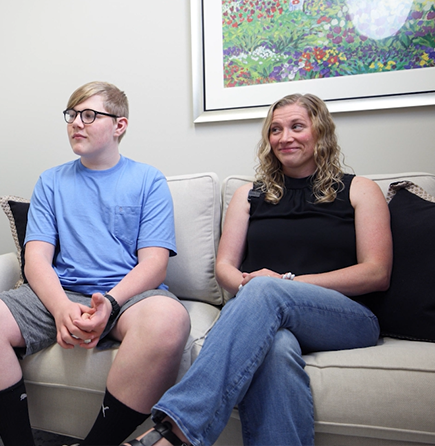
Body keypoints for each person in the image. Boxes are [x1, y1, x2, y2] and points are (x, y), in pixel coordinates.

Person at [124, 93, 392, 446]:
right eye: (275, 129)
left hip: (345, 319)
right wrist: (258, 286)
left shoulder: (359, 190)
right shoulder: (249, 195)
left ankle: (176, 430)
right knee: (276, 348)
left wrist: (285, 284)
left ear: (321, 132)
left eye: (297, 126)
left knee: (266, 290)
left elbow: (376, 272)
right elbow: (224, 267)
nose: (285, 137)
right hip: (265, 312)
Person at [0, 81, 191, 445]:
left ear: (120, 125)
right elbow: (35, 259)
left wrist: (110, 304)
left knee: (170, 319)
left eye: (88, 115)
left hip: (126, 297)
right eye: (71, 115)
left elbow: (154, 265)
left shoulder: (148, 180)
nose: (76, 124)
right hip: (62, 292)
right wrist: (61, 309)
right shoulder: (51, 181)